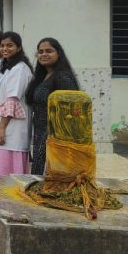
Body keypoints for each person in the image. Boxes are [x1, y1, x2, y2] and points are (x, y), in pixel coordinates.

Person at [25, 38, 79, 175]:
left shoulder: (63, 78)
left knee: (52, 175)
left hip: (55, 134)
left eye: (49, 51)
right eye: (40, 51)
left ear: (58, 53)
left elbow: (71, 112)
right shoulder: (42, 76)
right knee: (39, 173)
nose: (44, 54)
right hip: (40, 132)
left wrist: (55, 136)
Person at [0, 32, 33, 175]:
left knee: (6, 168)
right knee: (0, 163)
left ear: (19, 48)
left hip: (10, 127)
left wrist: (1, 128)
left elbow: (12, 100)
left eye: (10, 45)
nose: (5, 49)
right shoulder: (4, 65)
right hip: (2, 124)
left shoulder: (19, 68)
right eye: (2, 45)